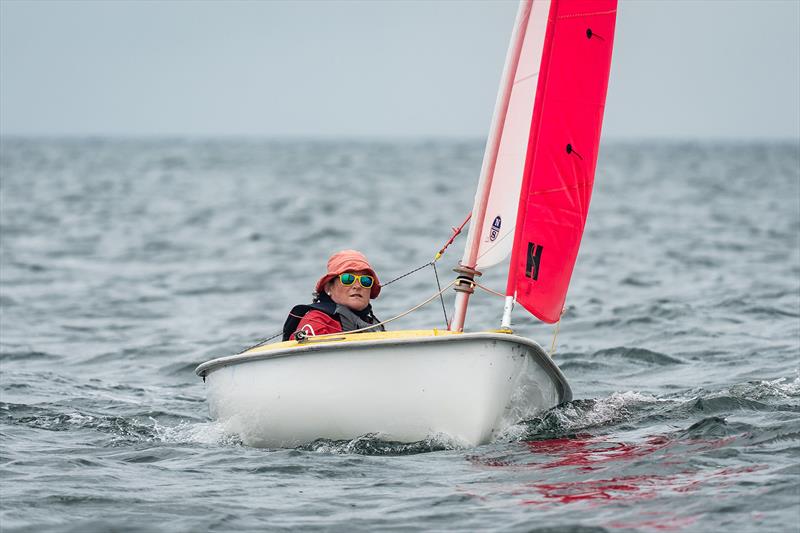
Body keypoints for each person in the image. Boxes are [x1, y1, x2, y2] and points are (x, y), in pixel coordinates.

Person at [282, 250, 385, 341]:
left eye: (365, 281)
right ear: (328, 287)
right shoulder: (317, 320)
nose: (357, 286)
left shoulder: (375, 325)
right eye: (347, 279)